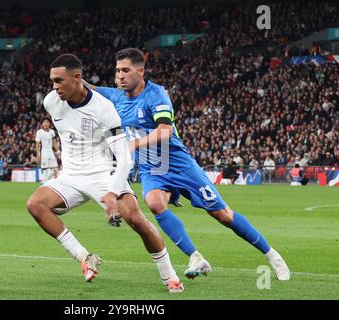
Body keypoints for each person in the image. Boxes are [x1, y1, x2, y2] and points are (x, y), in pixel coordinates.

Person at [87, 47, 290, 281]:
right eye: (117, 71)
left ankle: (271, 254)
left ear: (140, 71)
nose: (120, 75)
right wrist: (73, 79)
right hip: (153, 168)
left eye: (125, 70)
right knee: (153, 202)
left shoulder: (156, 95)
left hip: (179, 164)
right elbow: (88, 89)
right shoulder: (115, 96)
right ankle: (195, 257)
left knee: (223, 215)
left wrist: (132, 145)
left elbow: (164, 131)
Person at [26, 54, 184, 292]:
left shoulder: (104, 109)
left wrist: (112, 192)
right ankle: (84, 257)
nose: (54, 87)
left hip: (103, 173)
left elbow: (124, 158)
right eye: (52, 81)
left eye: (59, 81)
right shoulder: (51, 101)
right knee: (36, 204)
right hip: (71, 175)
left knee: (136, 219)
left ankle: (170, 276)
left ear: (77, 78)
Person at [35, 117, 60, 183]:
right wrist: (38, 155)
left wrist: (58, 151)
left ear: (49, 124)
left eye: (47, 122)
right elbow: (37, 144)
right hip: (44, 152)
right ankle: (44, 183)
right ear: (42, 124)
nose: (46, 123)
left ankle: (45, 181)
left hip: (50, 151)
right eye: (44, 122)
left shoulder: (52, 132)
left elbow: (54, 143)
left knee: (55, 168)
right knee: (45, 169)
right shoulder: (39, 132)